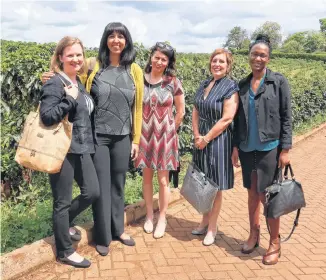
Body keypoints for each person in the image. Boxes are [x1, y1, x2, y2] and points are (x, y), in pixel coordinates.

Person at [231, 34, 292, 265]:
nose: (258, 58)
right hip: (248, 148)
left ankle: (274, 241)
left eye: (263, 55)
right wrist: (236, 146)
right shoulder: (243, 84)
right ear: (249, 56)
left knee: (269, 197)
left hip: (270, 148)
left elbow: (287, 117)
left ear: (268, 58)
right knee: (252, 194)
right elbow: (237, 119)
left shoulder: (278, 82)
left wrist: (285, 149)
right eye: (255, 54)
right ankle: (253, 234)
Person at [40, 36, 99, 268]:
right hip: (62, 150)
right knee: (61, 202)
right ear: (61, 57)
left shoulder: (78, 81)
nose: (76, 58)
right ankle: (65, 251)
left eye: (79, 54)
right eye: (71, 55)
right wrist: (69, 99)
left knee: (92, 191)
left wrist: (75, 95)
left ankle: (64, 223)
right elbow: (47, 116)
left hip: (82, 148)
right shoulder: (56, 83)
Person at [85, 22, 144, 256]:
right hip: (98, 136)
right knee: (100, 187)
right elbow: (67, 71)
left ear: (126, 41)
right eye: (112, 36)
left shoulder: (134, 70)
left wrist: (136, 140)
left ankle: (118, 229)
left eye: (121, 36)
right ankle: (102, 235)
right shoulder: (94, 65)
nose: (116, 40)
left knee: (118, 185)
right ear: (105, 40)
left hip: (122, 137)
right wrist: (48, 75)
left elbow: (137, 108)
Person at [135, 42, 185, 238]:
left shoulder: (172, 82)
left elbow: (180, 111)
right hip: (144, 135)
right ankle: (149, 216)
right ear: (151, 57)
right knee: (146, 177)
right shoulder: (140, 79)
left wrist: (171, 129)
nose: (159, 61)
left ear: (168, 62)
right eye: (156, 57)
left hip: (165, 135)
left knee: (163, 180)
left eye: (164, 59)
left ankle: (162, 217)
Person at [191, 48, 239, 246]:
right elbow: (195, 109)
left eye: (222, 62)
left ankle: (213, 227)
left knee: (215, 185)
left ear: (228, 66)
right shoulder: (204, 84)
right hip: (200, 138)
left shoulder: (230, 87)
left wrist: (207, 138)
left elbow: (227, 118)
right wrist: (196, 135)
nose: (217, 64)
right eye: (214, 61)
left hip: (218, 140)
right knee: (201, 183)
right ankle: (204, 220)